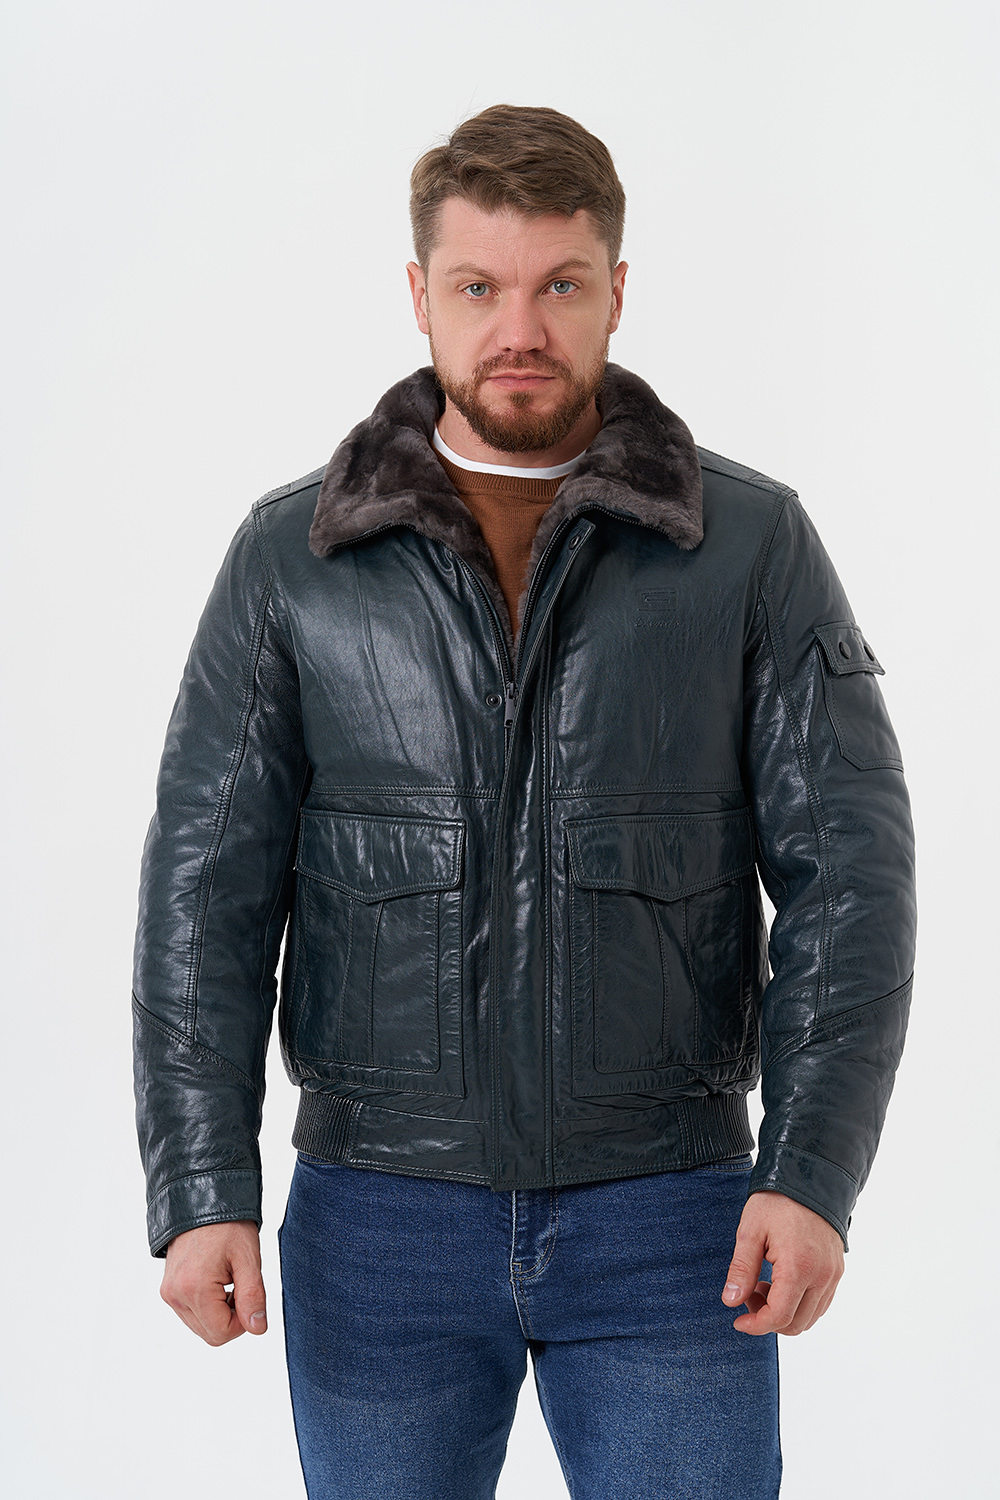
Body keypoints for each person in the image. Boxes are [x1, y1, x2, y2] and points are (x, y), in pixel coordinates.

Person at [132, 104, 917, 1499]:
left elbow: (851, 878)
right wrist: (202, 1189)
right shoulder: (293, 557)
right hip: (379, 1222)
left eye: (560, 283)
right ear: (418, 293)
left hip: (673, 1220)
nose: (520, 329)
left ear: (617, 289)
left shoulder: (749, 545)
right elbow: (206, 887)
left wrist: (810, 1173)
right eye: (477, 286)